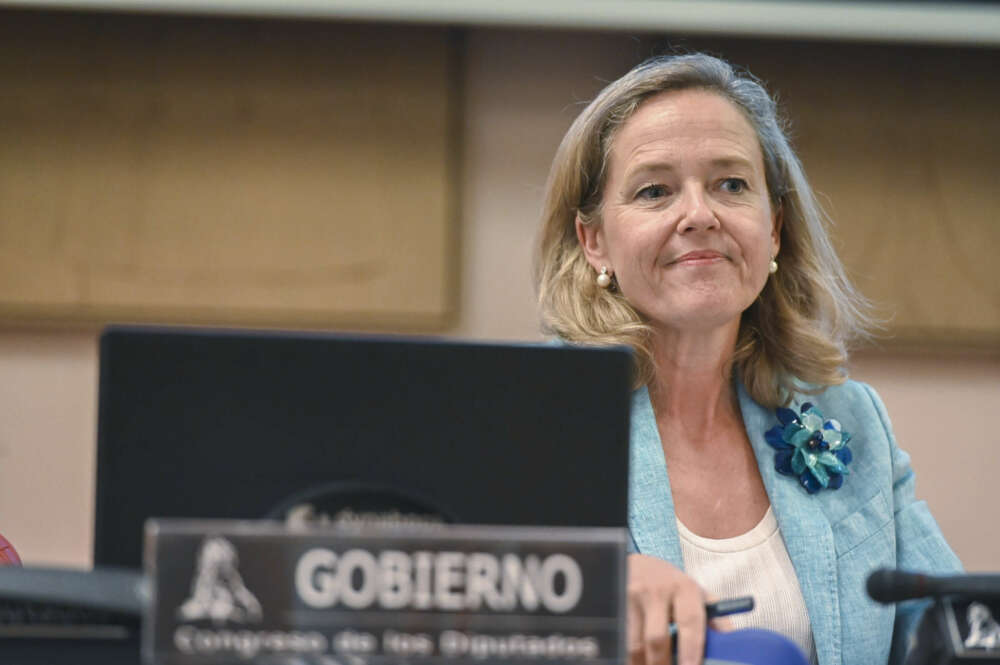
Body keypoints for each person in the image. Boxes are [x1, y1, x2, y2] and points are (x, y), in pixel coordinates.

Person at [534, 53, 961, 665]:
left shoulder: (850, 420)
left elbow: (953, 628)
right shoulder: (530, 422)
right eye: (655, 191)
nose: (699, 215)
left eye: (731, 185)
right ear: (594, 241)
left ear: (775, 227)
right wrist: (589, 591)